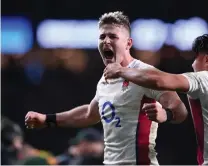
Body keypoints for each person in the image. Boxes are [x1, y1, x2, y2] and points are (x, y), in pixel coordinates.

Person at [25, 11, 188, 165]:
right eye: (102, 36)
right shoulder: (105, 79)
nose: (106, 41)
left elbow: (180, 111)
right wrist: (48, 119)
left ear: (128, 43)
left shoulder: (147, 74)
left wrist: (165, 115)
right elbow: (90, 113)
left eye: (113, 36)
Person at [104, 29, 208, 165]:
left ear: (207, 60)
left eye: (195, 59)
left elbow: (160, 80)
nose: (193, 65)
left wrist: (122, 71)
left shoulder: (206, 79)